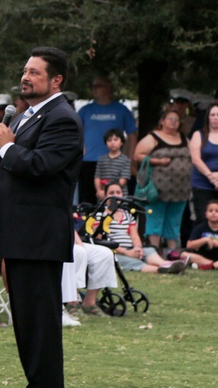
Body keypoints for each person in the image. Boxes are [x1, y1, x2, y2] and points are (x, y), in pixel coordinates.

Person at [0, 46, 83, 388]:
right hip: (19, 234)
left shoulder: (61, 118)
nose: (25, 77)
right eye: (25, 70)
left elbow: (42, 166)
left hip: (37, 235)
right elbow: (14, 168)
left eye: (35, 73)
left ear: (56, 80)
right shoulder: (28, 115)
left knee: (38, 320)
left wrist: (7, 147)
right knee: (26, 318)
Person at [132, 107, 192, 253]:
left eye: (176, 120)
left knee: (175, 219)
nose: (174, 122)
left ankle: (172, 250)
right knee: (156, 217)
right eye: (170, 119)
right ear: (162, 121)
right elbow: (137, 155)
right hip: (158, 188)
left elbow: (194, 156)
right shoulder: (153, 137)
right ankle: (154, 249)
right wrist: (157, 161)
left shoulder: (184, 138)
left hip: (181, 189)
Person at [77, 77, 137, 205]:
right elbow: (75, 132)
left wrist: (130, 159)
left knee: (112, 200)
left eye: (98, 85)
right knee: (88, 201)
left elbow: (132, 135)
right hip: (88, 161)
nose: (94, 89)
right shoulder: (85, 111)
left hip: (114, 162)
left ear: (108, 88)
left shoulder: (121, 110)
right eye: (93, 86)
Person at [103, 181, 185, 274]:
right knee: (131, 262)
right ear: (106, 196)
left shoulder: (127, 214)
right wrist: (126, 252)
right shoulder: (100, 214)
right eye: (111, 193)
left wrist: (138, 248)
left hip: (131, 248)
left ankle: (167, 264)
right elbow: (102, 241)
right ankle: (163, 270)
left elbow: (134, 236)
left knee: (149, 250)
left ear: (122, 195)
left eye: (118, 192)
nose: (115, 195)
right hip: (115, 252)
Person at [188, 103, 218, 225]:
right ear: (208, 118)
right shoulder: (198, 135)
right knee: (204, 220)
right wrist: (213, 178)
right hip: (202, 184)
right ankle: (205, 244)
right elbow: (196, 159)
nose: (216, 117)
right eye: (213, 115)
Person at [183, 198, 218, 269]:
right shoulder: (200, 227)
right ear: (206, 214)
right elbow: (189, 245)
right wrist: (205, 240)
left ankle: (209, 266)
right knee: (184, 254)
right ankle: (211, 264)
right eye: (210, 211)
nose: (213, 213)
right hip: (203, 256)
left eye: (217, 211)